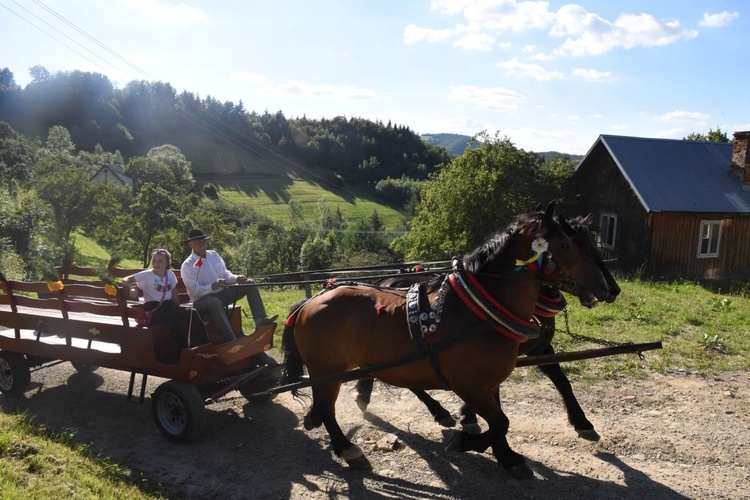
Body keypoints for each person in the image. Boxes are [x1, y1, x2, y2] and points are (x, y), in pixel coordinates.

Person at [180, 229, 277, 344]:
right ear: (191, 244)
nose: (202, 244)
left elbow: (226, 274)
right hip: (201, 301)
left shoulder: (214, 255)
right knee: (214, 302)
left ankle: (260, 320)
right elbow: (195, 291)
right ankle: (231, 340)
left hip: (222, 293)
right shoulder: (188, 265)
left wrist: (236, 278)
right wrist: (212, 286)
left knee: (249, 283)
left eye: (203, 241)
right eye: (198, 242)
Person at [121, 248, 192, 347]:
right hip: (153, 308)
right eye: (154, 260)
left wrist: (178, 309)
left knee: (192, 315)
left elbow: (174, 292)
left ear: (167, 263)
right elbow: (125, 280)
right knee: (173, 320)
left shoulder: (170, 274)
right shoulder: (147, 274)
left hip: (167, 305)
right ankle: (183, 349)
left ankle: (198, 344)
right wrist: (132, 288)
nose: (156, 263)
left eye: (160, 261)